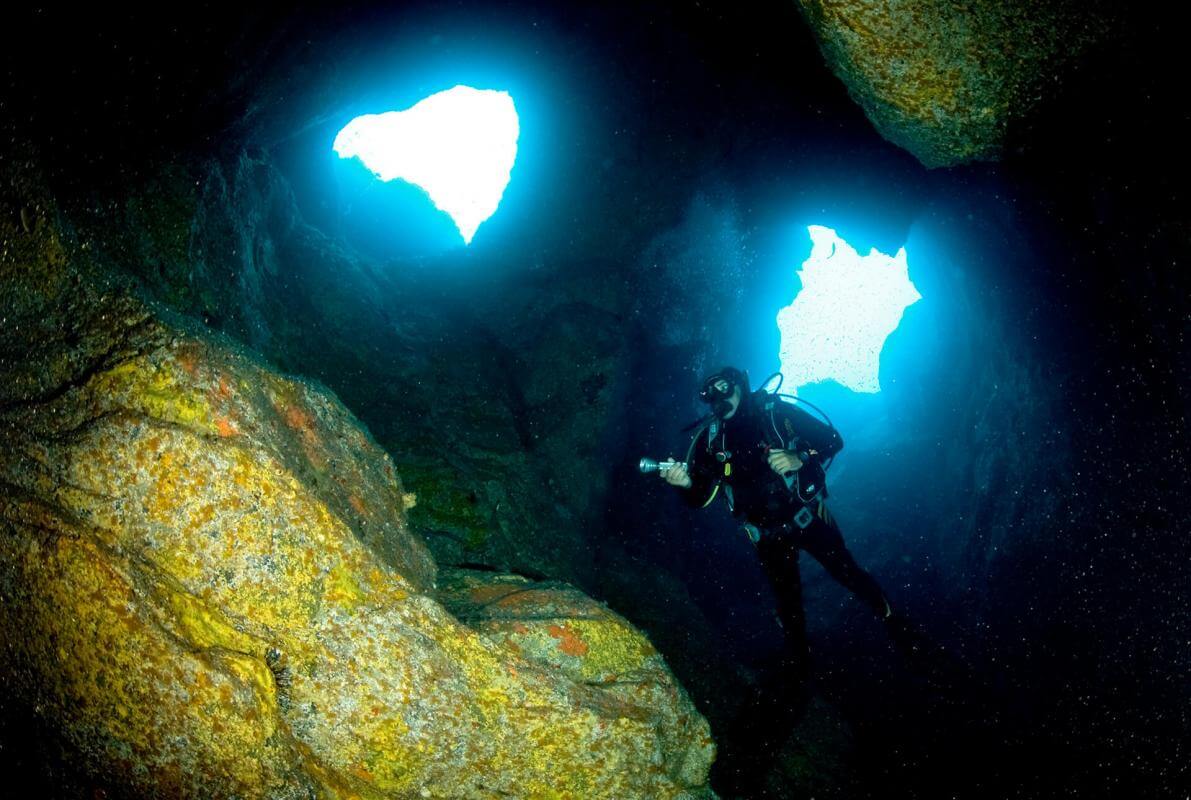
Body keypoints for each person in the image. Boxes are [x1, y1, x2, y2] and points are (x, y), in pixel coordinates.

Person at [658, 366, 896, 687]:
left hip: (807, 516)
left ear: (741, 385)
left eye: (724, 388)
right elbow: (699, 498)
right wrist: (684, 482)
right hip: (765, 536)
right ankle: (800, 666)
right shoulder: (710, 441)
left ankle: (890, 617)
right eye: (709, 394)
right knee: (788, 602)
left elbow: (832, 441)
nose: (717, 398)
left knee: (846, 571)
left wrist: (800, 455)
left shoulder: (776, 413)